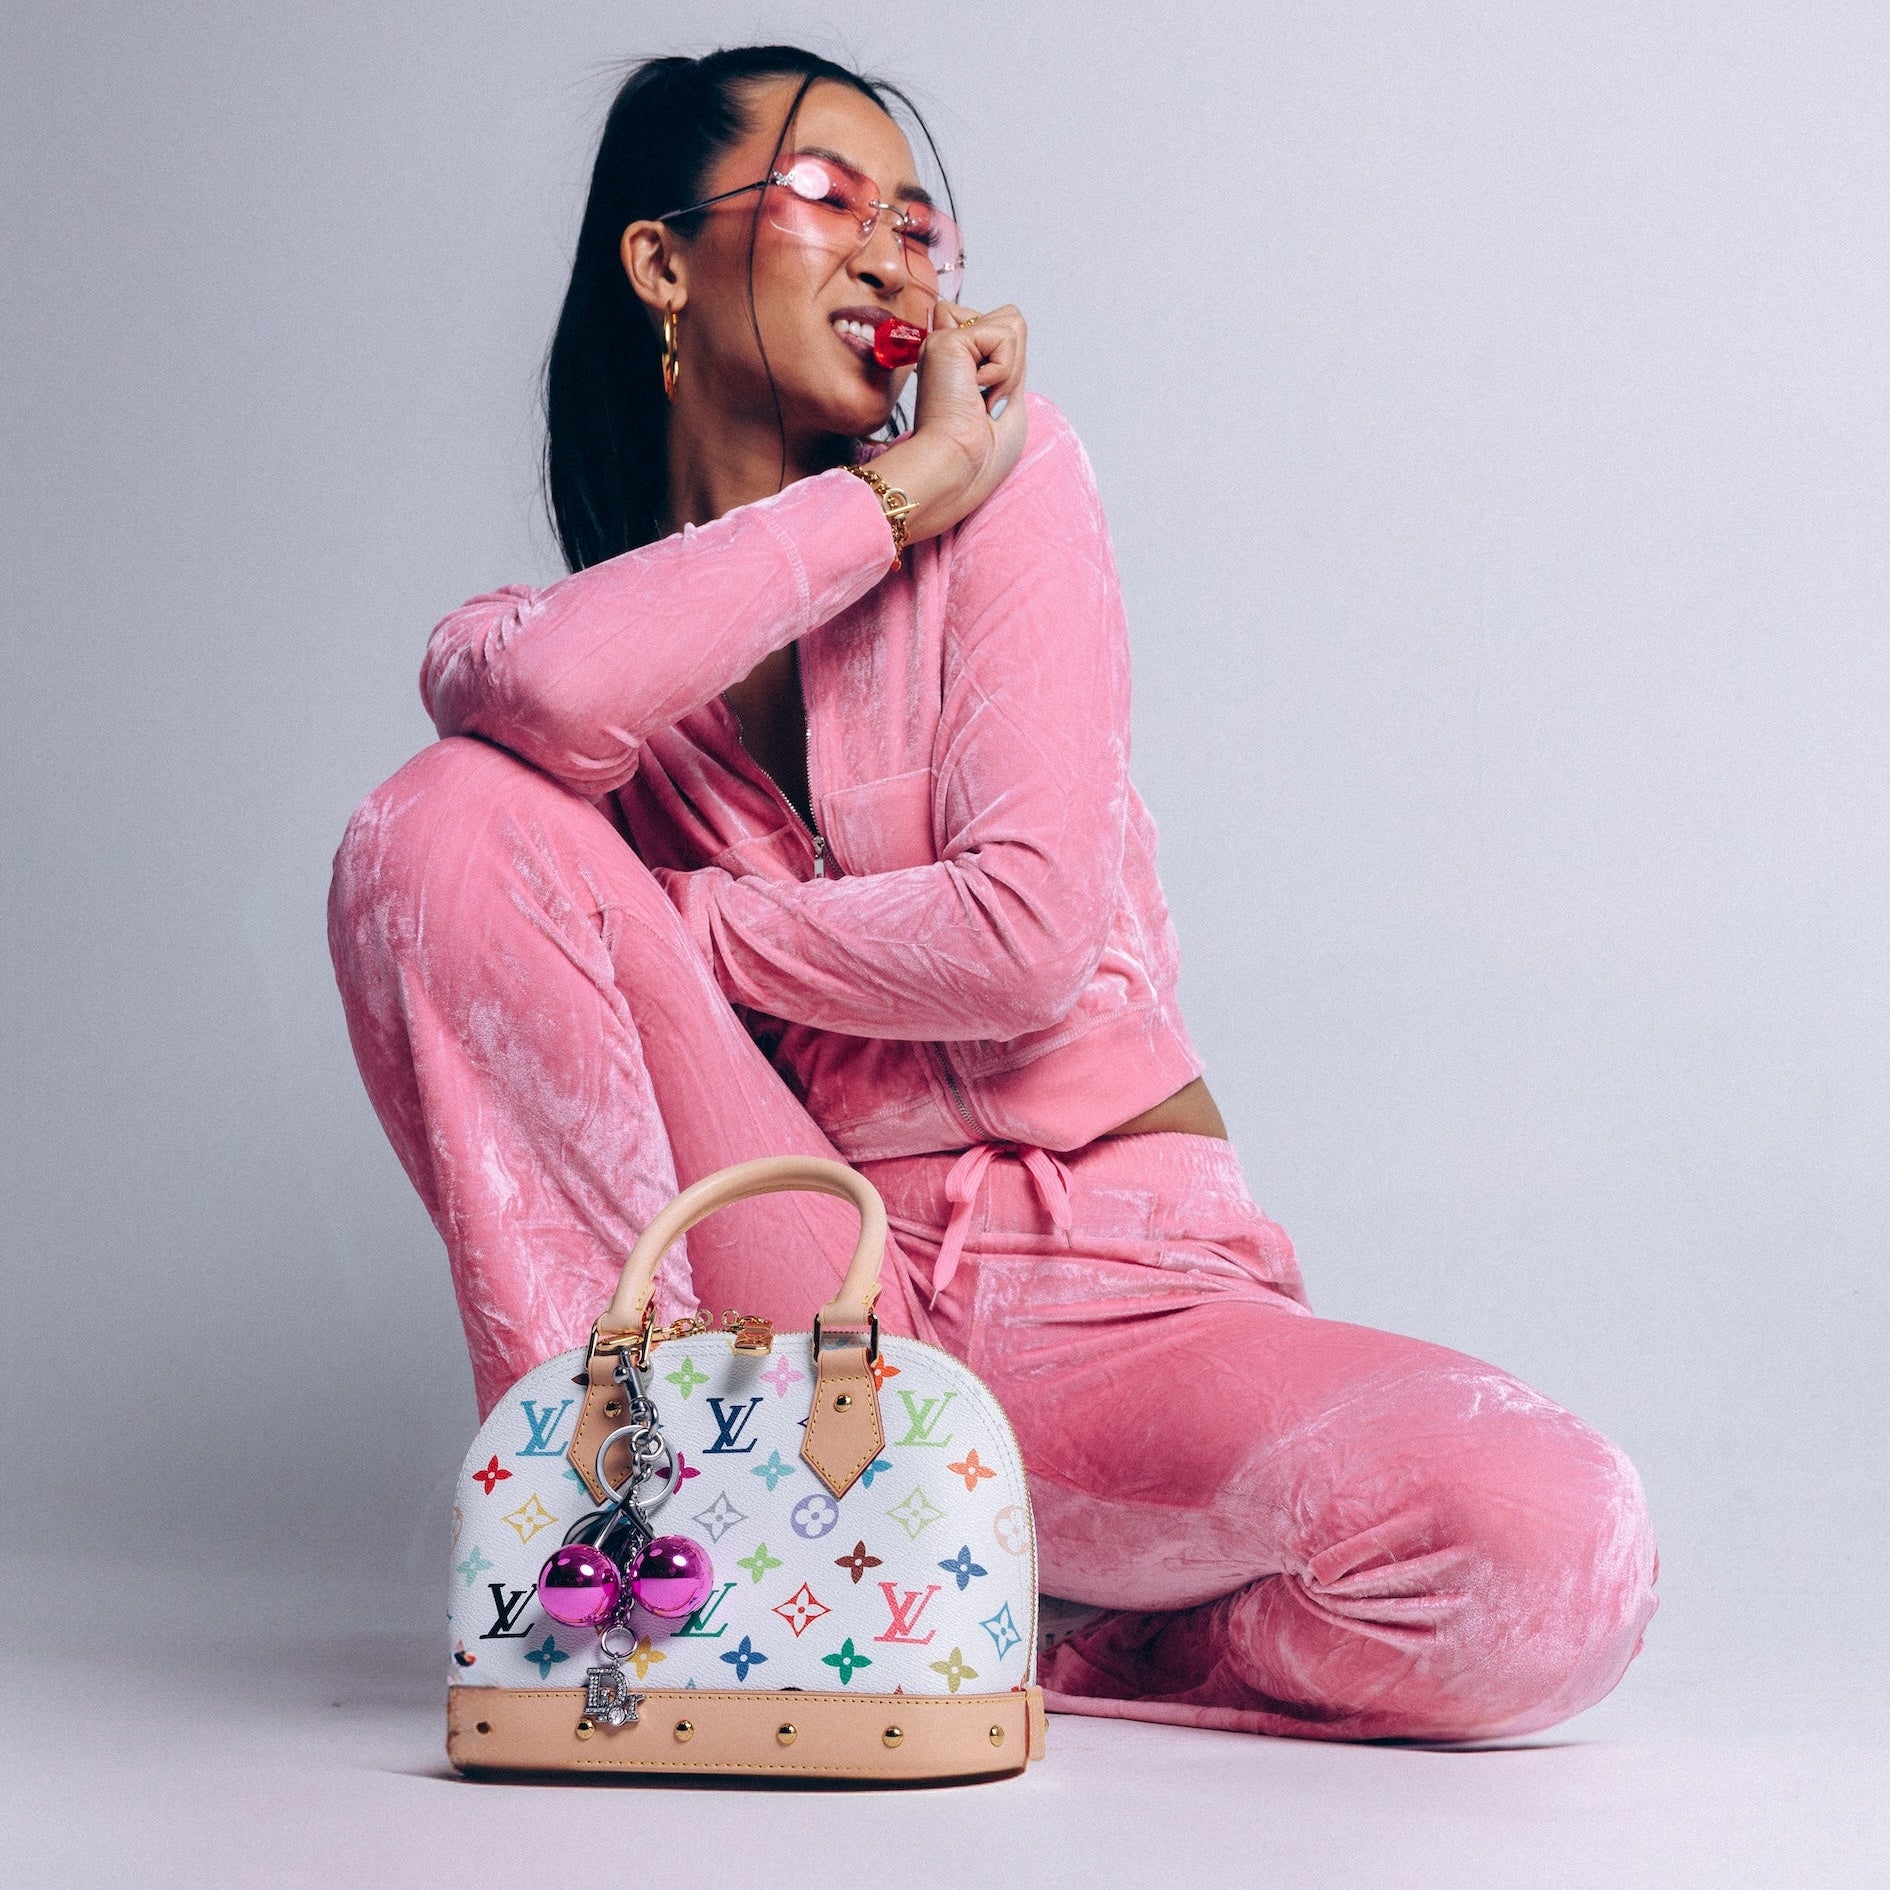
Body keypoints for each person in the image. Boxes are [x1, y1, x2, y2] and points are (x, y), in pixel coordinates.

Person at [327, 44, 1657, 1743]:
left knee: (1552, 1542)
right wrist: (887, 494)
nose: (892, 252)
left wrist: (677, 923)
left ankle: (1008, 1622)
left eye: (918, 221)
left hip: (1118, 1295)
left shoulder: (1013, 490)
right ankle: (639, 1552)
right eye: (828, 195)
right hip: (812, 1288)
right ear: (660, 260)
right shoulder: (560, 644)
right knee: (439, 824)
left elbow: (1021, 935)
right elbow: (556, 692)